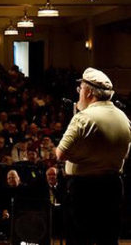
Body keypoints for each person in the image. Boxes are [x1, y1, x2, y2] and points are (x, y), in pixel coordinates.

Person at [56, 67, 131, 245]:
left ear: (89, 92)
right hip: (113, 186)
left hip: (84, 189)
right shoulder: (124, 118)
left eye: (80, 89)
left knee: (80, 239)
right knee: (108, 238)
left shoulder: (83, 118)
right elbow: (125, 153)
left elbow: (60, 153)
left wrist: (83, 157)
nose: (79, 93)